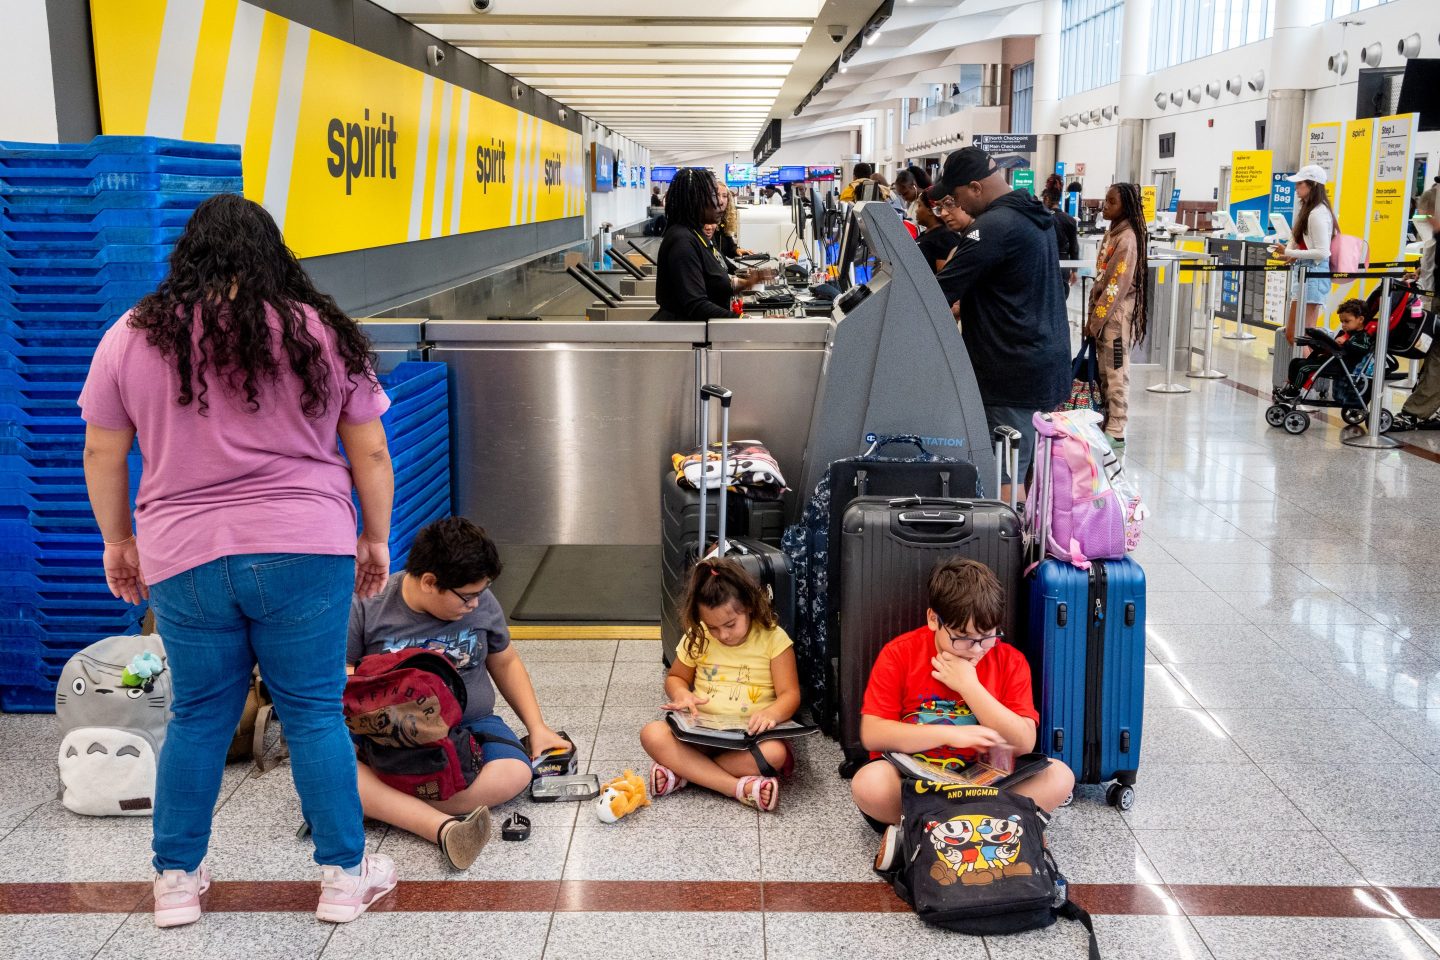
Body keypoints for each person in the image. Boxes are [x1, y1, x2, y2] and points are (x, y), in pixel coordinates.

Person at [78, 193, 398, 928]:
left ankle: (176, 884)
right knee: (314, 712)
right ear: (271, 253)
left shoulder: (130, 336)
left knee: (196, 714)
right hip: (303, 544)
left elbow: (102, 449)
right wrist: (376, 538)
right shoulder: (317, 330)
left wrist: (117, 541)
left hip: (183, 553)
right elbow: (371, 449)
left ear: (186, 255)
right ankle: (345, 879)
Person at [347, 517, 568, 870]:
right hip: (392, 736)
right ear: (430, 582)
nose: (476, 605)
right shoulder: (369, 603)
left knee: (516, 772)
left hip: (470, 726)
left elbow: (506, 661)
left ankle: (382, 806)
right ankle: (439, 826)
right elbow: (344, 676)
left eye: (481, 592)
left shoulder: (479, 602)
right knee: (332, 770)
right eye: (467, 596)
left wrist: (537, 726)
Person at [850, 558, 1075, 829]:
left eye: (987, 635)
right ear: (934, 619)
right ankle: (988, 826)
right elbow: (873, 734)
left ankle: (928, 829)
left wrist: (970, 687)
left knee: (1060, 776)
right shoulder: (900, 654)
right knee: (869, 784)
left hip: (986, 784)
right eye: (962, 637)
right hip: (917, 783)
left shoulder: (1009, 660)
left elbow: (1025, 742)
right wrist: (951, 734)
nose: (976, 649)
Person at [933, 146, 1071, 492]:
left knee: (1004, 481)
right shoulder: (1035, 216)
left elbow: (937, 293)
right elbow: (1012, 287)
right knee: (1020, 470)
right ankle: (1018, 539)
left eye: (958, 196)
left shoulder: (993, 226)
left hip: (1010, 370)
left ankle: (1008, 545)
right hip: (1039, 361)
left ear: (976, 187)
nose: (958, 206)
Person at [640, 558, 800, 812]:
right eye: (713, 627)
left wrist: (771, 713)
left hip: (747, 741)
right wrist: (682, 694)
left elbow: (789, 694)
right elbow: (676, 677)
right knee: (652, 733)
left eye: (730, 625)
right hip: (701, 735)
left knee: (775, 754)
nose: (723, 635)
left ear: (748, 606)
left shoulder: (773, 639)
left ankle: (685, 773)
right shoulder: (699, 637)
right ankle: (737, 788)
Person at [651, 167, 772, 322]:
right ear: (696, 200)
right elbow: (697, 305)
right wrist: (750, 322)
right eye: (714, 196)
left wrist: (748, 283)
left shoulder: (698, 235)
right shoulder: (682, 241)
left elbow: (712, 282)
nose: (720, 202)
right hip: (686, 340)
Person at [1085, 183, 1150, 456]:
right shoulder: (1114, 233)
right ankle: (1106, 420)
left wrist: (1096, 321)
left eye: (1111, 202)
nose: (1105, 205)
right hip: (1104, 315)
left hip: (1117, 316)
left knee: (1116, 370)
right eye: (1105, 200)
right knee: (1103, 371)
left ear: (1126, 206)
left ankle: (1117, 429)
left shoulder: (1127, 239)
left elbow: (1116, 287)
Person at [1270, 164, 1336, 346]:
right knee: (1300, 335)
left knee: (1298, 336)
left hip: (1313, 275)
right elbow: (1307, 244)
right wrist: (1292, 255)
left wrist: (1289, 252)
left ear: (1313, 185)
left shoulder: (1317, 213)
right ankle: (1306, 373)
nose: (1296, 188)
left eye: (1300, 184)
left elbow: (1323, 252)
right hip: (1306, 273)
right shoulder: (1309, 211)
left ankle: (1308, 373)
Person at [1391, 192, 1440, 431]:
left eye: (1430, 215)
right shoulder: (1435, 239)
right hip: (1434, 301)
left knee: (1437, 359)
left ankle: (1414, 412)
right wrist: (1421, 275)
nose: (1427, 221)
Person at [1279, 298, 1370, 401]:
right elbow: (1334, 347)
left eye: (1347, 321)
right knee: (1295, 362)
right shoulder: (1344, 334)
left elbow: (1362, 350)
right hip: (1332, 361)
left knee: (1304, 367)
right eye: (1342, 322)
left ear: (1361, 319)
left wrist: (1346, 343)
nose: (1343, 325)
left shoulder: (1363, 337)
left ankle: (1295, 392)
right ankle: (1291, 387)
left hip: (1343, 366)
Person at [1042, 185, 1079, 288]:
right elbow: (1074, 246)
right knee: (1062, 296)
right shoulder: (1070, 219)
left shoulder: (1043, 218)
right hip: (1064, 262)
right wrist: (1074, 270)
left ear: (1047, 198)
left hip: (1046, 261)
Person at [914, 199, 962, 274]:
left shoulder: (945, 236)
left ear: (930, 210)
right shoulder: (926, 233)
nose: (916, 211)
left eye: (920, 205)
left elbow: (943, 273)